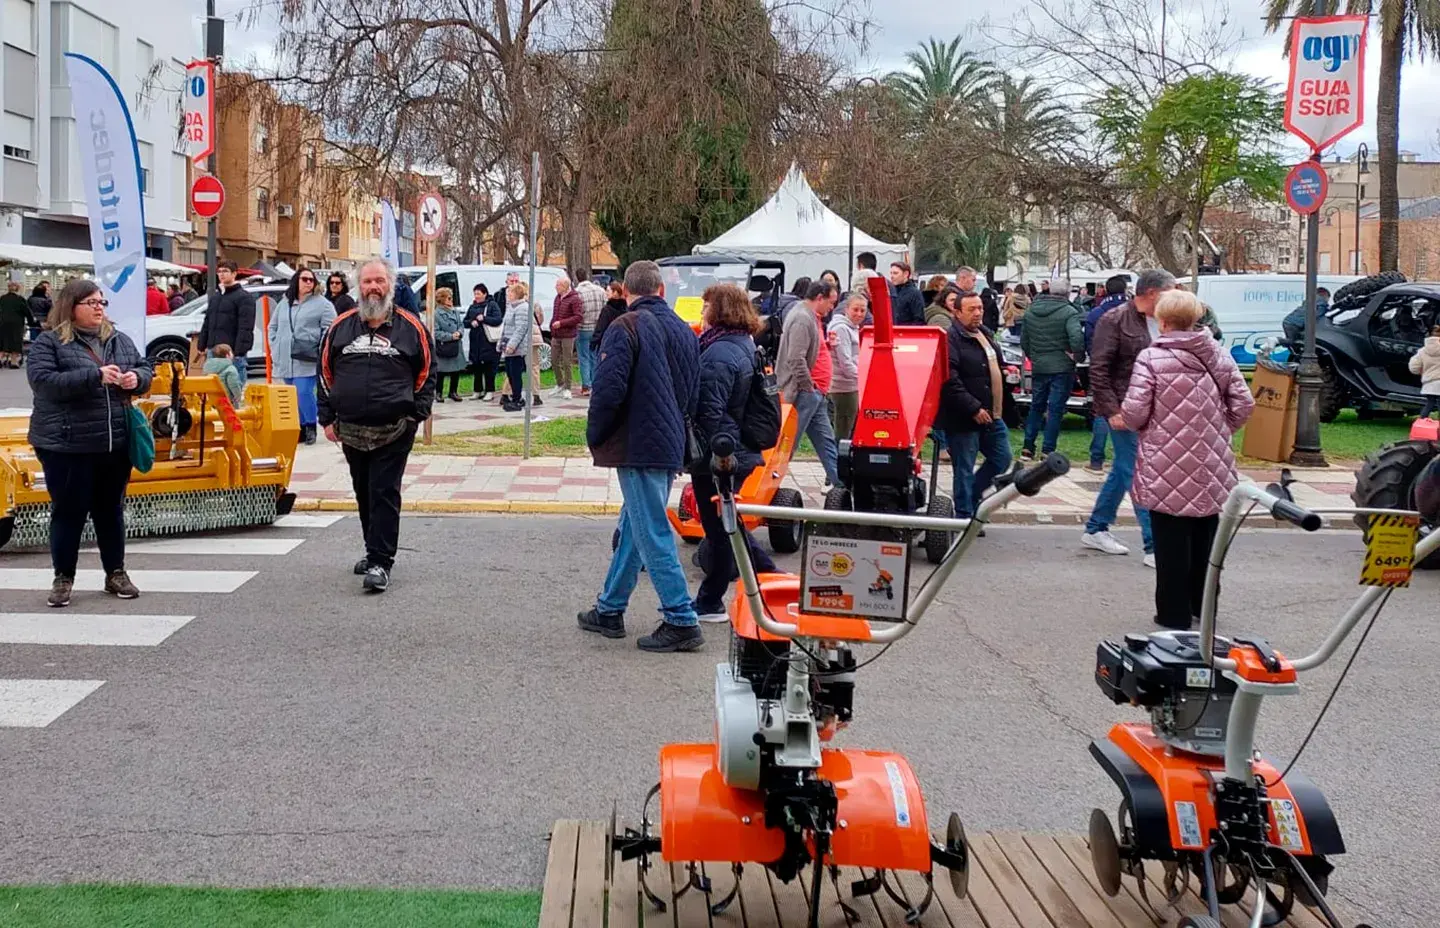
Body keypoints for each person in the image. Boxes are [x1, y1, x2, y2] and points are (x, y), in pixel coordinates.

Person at [578, 260, 702, 653]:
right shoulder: (684, 330)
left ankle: (681, 617)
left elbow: (608, 389)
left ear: (625, 292)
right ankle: (610, 608)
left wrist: (595, 433)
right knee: (635, 525)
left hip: (637, 441)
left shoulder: (625, 327)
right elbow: (692, 391)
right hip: (668, 441)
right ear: (662, 290)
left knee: (650, 530)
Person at [1122, 290, 1253, 629]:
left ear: (1162, 321)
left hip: (1165, 460)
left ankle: (1173, 612)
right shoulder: (1219, 355)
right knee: (1207, 538)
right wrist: (1218, 430)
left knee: (1170, 541)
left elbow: (1135, 414)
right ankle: (1204, 607)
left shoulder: (1151, 359)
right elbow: (1243, 404)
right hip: (1211, 460)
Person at [26, 278, 153, 607]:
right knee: (68, 512)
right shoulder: (49, 343)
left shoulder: (118, 339)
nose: (99, 308)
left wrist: (136, 378)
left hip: (113, 443)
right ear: (72, 306)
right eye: (92, 303)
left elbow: (144, 368)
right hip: (68, 444)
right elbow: (44, 383)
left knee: (111, 512)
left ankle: (116, 573)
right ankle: (63, 577)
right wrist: (93, 376)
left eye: (102, 303)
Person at [318, 259, 436, 594]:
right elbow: (324, 374)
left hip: (395, 428)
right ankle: (373, 548)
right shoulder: (340, 327)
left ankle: (382, 562)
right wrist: (327, 418)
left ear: (391, 285)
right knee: (363, 490)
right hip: (351, 429)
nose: (373, 287)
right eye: (368, 280)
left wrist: (417, 414)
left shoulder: (410, 328)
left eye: (380, 281)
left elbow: (427, 372)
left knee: (384, 491)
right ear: (359, 285)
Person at [690, 284, 777, 623]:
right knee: (729, 523)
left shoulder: (719, 353)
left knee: (721, 528)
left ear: (720, 310)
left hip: (723, 454)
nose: (702, 313)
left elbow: (711, 410)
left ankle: (711, 601)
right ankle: (770, 577)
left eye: (706, 306)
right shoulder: (743, 344)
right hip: (736, 448)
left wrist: (719, 453)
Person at [1082, 268, 1175, 564]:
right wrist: (1112, 410)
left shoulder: (1162, 320)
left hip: (1152, 407)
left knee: (1125, 470)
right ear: (1152, 293)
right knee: (1136, 470)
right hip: (1124, 406)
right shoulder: (1114, 320)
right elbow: (1099, 368)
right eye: (1169, 293)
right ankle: (1154, 545)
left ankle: (1096, 527)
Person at [938, 292, 1012, 521]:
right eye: (971, 309)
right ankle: (963, 517)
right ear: (957, 312)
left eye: (979, 308)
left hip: (992, 415)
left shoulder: (985, 334)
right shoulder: (951, 339)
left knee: (1002, 458)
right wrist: (973, 408)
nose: (978, 313)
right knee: (964, 468)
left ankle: (973, 498)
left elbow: (992, 365)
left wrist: (1005, 371)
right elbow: (950, 380)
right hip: (965, 417)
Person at [777, 281, 842, 487]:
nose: (832, 308)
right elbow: (795, 358)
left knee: (826, 442)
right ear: (820, 298)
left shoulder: (810, 317)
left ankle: (842, 484)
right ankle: (766, 488)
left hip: (814, 393)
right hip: (804, 393)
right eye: (831, 303)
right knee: (787, 445)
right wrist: (808, 385)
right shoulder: (802, 319)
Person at [268, 267, 336, 444]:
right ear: (296, 281)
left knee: (303, 392)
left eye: (311, 280)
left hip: (307, 357)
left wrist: (320, 348)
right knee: (291, 395)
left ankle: (310, 425)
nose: (308, 283)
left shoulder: (323, 304)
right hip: (284, 356)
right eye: (304, 279)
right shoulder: (285, 303)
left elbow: (330, 330)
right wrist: (274, 344)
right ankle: (299, 427)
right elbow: (272, 326)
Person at [1019, 278, 1084, 461]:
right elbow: (1076, 338)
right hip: (1062, 366)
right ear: (1066, 293)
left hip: (1040, 365)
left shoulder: (1031, 311)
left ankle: (1027, 447)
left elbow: (1024, 341)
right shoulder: (1069, 312)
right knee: (1055, 409)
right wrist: (1077, 356)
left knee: (1036, 407)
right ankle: (1048, 450)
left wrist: (1035, 356)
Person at [1083, 275, 1130, 474]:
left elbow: (1087, 339)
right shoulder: (1134, 312)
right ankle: (1125, 458)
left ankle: (1096, 460)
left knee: (1102, 412)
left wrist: (1093, 356)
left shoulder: (1096, 313)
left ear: (1105, 291)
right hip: (1129, 371)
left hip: (1102, 368)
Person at [197, 260, 257, 380]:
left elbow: (245, 327)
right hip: (213, 350)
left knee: (233, 388)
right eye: (219, 271)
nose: (221, 274)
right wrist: (202, 344)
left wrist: (238, 352)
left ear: (234, 274)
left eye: (225, 271)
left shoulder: (244, 297)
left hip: (230, 352)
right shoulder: (216, 297)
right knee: (212, 388)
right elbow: (208, 322)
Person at [828, 293, 865, 440]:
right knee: (843, 431)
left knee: (845, 428)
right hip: (843, 386)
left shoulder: (852, 328)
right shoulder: (842, 329)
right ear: (846, 309)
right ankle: (838, 461)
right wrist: (863, 378)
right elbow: (846, 363)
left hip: (848, 384)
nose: (859, 314)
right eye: (855, 309)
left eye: (863, 310)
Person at [465, 283, 503, 400]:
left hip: (488, 341)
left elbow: (498, 319)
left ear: (485, 294)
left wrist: (485, 319)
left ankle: (490, 390)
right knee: (476, 367)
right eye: (475, 293)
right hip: (475, 341)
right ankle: (477, 390)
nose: (476, 296)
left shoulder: (492, 305)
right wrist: (471, 322)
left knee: (488, 368)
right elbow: (465, 321)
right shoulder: (472, 307)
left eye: (478, 293)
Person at [499, 282, 533, 412]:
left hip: (517, 348)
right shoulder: (511, 307)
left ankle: (517, 398)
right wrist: (501, 343)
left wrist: (512, 345)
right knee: (510, 372)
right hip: (508, 345)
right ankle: (515, 396)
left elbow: (520, 328)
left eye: (511, 293)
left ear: (517, 294)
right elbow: (506, 326)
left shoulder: (523, 308)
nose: (508, 295)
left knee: (515, 373)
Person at [574, 268, 608, 397]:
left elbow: (577, 311)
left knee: (584, 357)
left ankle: (586, 385)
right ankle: (596, 382)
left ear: (577, 278)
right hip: (598, 327)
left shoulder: (577, 292)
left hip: (583, 327)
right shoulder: (600, 291)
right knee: (595, 356)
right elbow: (606, 308)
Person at [549, 276, 584, 399]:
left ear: (565, 286)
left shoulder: (575, 299)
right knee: (553, 360)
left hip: (568, 335)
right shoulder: (557, 298)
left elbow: (578, 317)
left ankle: (568, 387)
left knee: (567, 361)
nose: (555, 287)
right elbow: (555, 314)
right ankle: (560, 383)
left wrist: (562, 323)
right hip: (556, 334)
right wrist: (552, 326)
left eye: (558, 285)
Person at [432, 287, 467, 402]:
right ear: (442, 299)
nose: (451, 300)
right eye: (448, 298)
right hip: (444, 346)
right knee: (441, 371)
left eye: (451, 297)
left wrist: (459, 333)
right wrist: (450, 336)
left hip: (456, 345)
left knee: (456, 370)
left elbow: (461, 325)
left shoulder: (455, 311)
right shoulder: (436, 314)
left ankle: (453, 392)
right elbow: (436, 332)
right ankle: (439, 393)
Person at [955, 266, 1001, 333]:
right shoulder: (953, 296)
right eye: (973, 280)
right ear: (963, 278)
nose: (977, 313)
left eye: (980, 308)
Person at [1410, 326, 1440, 418]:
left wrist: (1422, 372)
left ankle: (1421, 424)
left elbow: (1413, 367)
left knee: (1429, 404)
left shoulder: (1422, 351)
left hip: (1429, 383)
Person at [0, 281, 31, 368]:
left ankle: (0, 358)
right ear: (18, 288)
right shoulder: (20, 299)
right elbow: (27, 312)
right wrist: (31, 321)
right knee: (15, 341)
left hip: (2, 322)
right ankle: (14, 362)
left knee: (2, 341)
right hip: (16, 323)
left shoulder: (2, 298)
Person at [592, 280, 628, 353]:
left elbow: (601, 327)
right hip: (622, 342)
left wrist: (594, 341)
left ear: (615, 293)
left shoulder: (607, 310)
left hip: (606, 343)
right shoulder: (625, 308)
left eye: (608, 291)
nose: (606, 293)